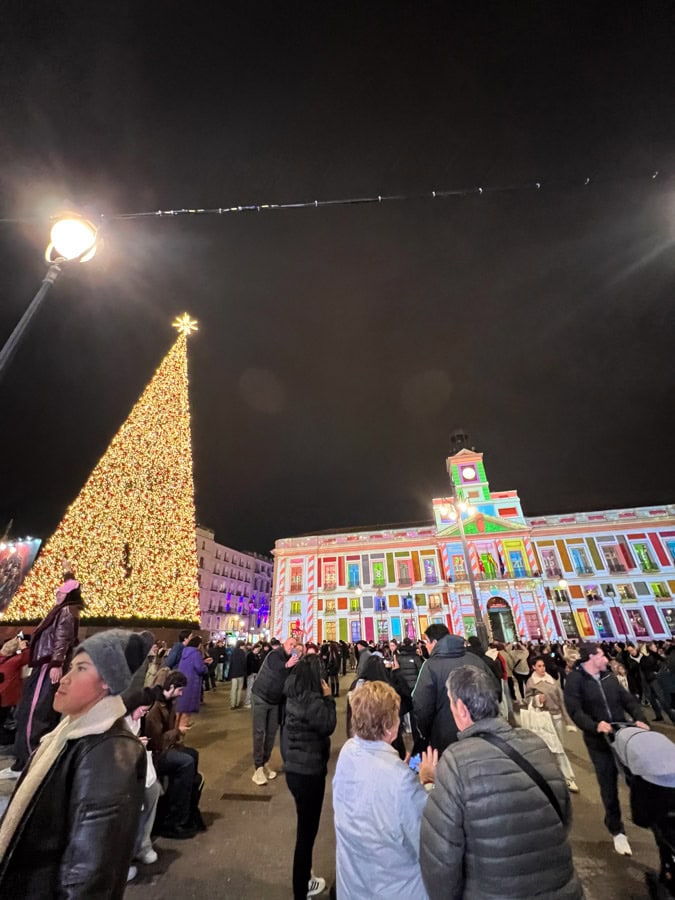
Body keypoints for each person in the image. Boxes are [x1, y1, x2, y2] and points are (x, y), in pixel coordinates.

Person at [0, 629, 150, 896]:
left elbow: (89, 873)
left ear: (108, 681)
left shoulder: (108, 752)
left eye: (81, 668)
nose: (64, 680)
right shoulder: (66, 735)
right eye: (70, 667)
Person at [420, 666, 582, 900]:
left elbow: (441, 857)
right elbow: (563, 818)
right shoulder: (536, 745)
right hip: (563, 889)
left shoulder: (456, 762)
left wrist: (428, 783)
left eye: (451, 703)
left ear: (462, 710)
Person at [333, 680, 437, 899]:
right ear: (390, 727)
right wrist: (426, 781)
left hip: (352, 886)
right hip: (394, 888)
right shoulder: (400, 782)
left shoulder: (347, 752)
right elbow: (428, 840)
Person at [564, 642, 648, 856]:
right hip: (599, 742)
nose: (606, 659)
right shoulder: (575, 680)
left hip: (622, 736)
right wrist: (595, 725)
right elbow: (575, 711)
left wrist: (639, 718)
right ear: (590, 658)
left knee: (637, 780)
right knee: (608, 785)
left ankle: (649, 819)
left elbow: (627, 699)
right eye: (601, 655)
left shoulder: (608, 677)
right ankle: (616, 829)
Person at [0, 568, 85, 779]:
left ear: (67, 595)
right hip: (45, 665)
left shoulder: (65, 612)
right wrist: (68, 573)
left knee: (34, 715)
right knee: (29, 711)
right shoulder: (64, 609)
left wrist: (56, 663)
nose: (56, 594)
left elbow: (62, 639)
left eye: (60, 592)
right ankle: (21, 763)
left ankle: (28, 763)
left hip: (48, 666)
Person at [281, 655, 337, 900]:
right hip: (309, 772)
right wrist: (329, 699)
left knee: (304, 831)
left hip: (293, 769)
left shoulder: (293, 694)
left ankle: (306, 877)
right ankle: (301, 888)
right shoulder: (313, 699)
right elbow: (328, 724)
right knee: (306, 835)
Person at [413, 624, 498, 754]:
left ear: (434, 642)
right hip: (484, 733)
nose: (426, 646)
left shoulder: (430, 666)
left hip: (446, 738)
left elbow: (421, 706)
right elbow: (496, 690)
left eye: (427, 642)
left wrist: (426, 733)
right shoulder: (475, 659)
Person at [145, 670, 204, 839]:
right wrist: (177, 732)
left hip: (166, 748)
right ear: (171, 687)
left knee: (192, 755)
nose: (181, 694)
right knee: (186, 762)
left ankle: (186, 809)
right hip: (156, 753)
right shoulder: (155, 708)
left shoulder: (168, 702)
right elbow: (155, 741)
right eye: (180, 690)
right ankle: (175, 819)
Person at [525, 656, 579, 792]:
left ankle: (565, 777)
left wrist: (568, 721)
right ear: (533, 667)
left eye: (543, 666)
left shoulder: (551, 680)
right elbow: (527, 699)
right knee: (549, 749)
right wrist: (537, 699)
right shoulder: (532, 682)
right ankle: (560, 777)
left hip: (557, 717)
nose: (542, 668)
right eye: (539, 666)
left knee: (559, 747)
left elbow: (562, 701)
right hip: (543, 719)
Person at [251, 636, 299, 785]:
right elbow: (275, 666)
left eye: (294, 645)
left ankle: (265, 762)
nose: (292, 647)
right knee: (259, 732)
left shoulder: (293, 661)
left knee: (271, 733)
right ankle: (257, 767)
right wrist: (287, 665)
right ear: (284, 644)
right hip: (260, 697)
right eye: (290, 644)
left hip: (274, 701)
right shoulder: (275, 655)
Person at [124, 688, 161, 869]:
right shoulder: (119, 721)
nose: (142, 715)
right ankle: (127, 855)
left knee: (153, 791)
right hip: (124, 774)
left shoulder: (137, 719)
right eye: (143, 710)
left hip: (139, 768)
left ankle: (143, 844)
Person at [176, 635, 211, 729]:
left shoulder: (185, 652)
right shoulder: (196, 653)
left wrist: (203, 662)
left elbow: (192, 664)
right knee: (186, 712)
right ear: (199, 645)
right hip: (192, 684)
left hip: (182, 682)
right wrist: (206, 666)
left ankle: (174, 732)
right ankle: (180, 736)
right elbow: (200, 669)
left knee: (178, 711)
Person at [0, 636, 30, 741]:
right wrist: (24, 647)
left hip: (2, 694)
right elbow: (27, 657)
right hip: (6, 696)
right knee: (3, 716)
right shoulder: (14, 661)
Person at [229, 641, 247, 709]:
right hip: (240, 673)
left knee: (233, 689)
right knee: (239, 689)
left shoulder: (233, 652)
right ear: (241, 646)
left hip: (234, 673)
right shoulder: (242, 652)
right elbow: (244, 663)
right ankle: (237, 703)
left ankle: (232, 704)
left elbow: (231, 663)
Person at [244, 643, 263, 708]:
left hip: (256, 673)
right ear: (254, 648)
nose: (258, 650)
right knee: (250, 688)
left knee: (254, 689)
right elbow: (247, 665)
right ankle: (247, 702)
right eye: (257, 649)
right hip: (251, 674)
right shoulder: (250, 655)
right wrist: (249, 673)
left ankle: (252, 701)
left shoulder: (257, 655)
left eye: (259, 649)